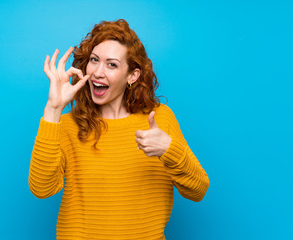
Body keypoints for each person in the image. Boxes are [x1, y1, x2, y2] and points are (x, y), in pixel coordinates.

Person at [28, 19, 209, 240]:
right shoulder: (67, 124)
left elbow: (198, 190)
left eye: (111, 64)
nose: (97, 72)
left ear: (132, 75)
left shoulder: (160, 118)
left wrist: (169, 149)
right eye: (94, 60)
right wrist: (54, 108)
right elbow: (41, 189)